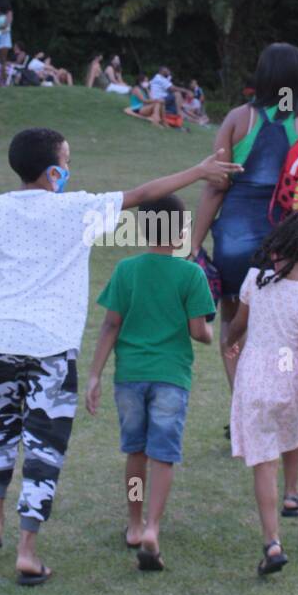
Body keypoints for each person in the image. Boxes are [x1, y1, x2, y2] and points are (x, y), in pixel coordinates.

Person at [0, 129, 241, 586]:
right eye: (67, 160)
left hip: (3, 341)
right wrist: (199, 171)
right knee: (43, 447)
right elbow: (144, 195)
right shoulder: (78, 209)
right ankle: (27, 552)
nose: (70, 169)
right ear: (54, 170)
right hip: (52, 348)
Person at [188, 42, 298, 440]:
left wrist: (194, 245)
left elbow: (215, 187)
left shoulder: (238, 119)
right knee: (288, 332)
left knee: (236, 325)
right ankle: (285, 412)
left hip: (235, 239)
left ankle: (244, 412)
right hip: (292, 245)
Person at [85, 194, 216, 571]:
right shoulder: (192, 274)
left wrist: (94, 374)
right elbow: (198, 332)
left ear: (143, 230)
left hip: (129, 376)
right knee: (164, 455)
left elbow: (111, 325)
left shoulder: (127, 270)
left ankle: (133, 522)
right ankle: (154, 528)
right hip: (171, 377)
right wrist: (210, 332)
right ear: (180, 234)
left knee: (136, 453)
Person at [220, 213, 298, 576]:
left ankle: (272, 541)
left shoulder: (255, 280)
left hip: (254, 382)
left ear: (276, 253)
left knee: (264, 462)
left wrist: (231, 345)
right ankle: (293, 493)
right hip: (291, 381)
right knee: (293, 430)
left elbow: (238, 327)